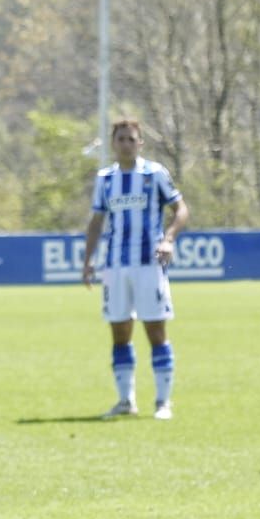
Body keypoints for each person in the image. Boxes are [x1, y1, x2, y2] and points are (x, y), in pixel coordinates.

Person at [81, 118, 188, 419]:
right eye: (121, 139)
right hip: (115, 266)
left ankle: (163, 402)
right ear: (113, 144)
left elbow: (181, 209)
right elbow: (96, 222)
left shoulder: (154, 174)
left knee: (155, 329)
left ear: (140, 143)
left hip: (149, 264)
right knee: (119, 331)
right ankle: (126, 401)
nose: (126, 144)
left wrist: (168, 239)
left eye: (131, 139)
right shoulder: (105, 179)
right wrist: (87, 261)